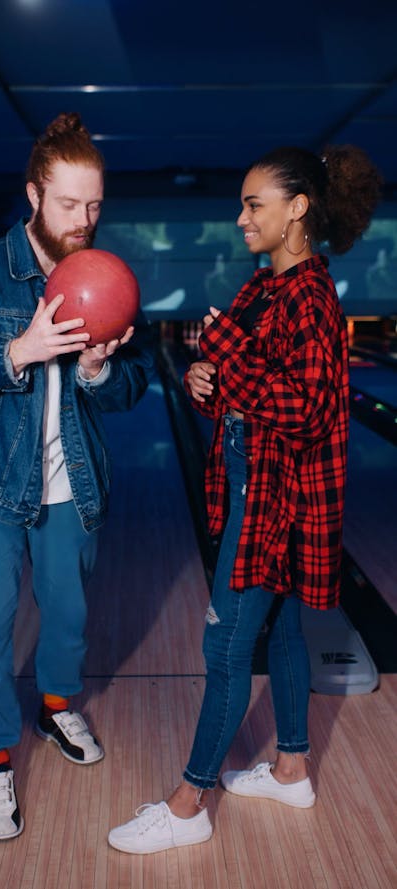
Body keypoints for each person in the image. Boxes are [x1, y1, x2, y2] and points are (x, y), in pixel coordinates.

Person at [108, 144, 381, 853]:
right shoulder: (264, 288)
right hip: (258, 476)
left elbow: (307, 407)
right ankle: (293, 767)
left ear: (297, 209)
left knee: (225, 641)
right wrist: (207, 379)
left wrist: (225, 345)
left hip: (277, 495)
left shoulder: (314, 299)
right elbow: (248, 387)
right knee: (284, 631)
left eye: (253, 204)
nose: (239, 217)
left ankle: (188, 802)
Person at [0, 112, 155, 841]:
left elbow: (135, 385)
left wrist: (98, 370)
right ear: (33, 194)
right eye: (67, 204)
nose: (84, 221)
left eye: (94, 206)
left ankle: (57, 707)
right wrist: (16, 351)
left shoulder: (106, 279)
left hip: (71, 485)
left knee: (68, 617)